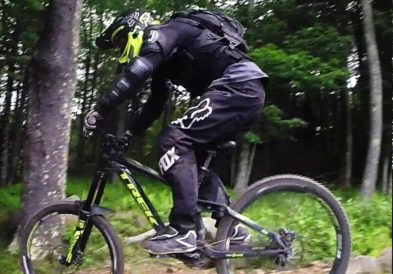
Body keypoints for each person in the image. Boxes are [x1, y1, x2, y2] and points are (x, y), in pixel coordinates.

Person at [85, 10, 268, 255]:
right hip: (244, 91)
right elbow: (156, 104)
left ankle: (184, 232)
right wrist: (130, 135)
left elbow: (135, 75)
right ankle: (230, 230)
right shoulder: (166, 58)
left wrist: (99, 110)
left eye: (120, 41)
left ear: (133, 29)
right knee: (196, 161)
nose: (121, 50)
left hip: (237, 86)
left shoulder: (163, 33)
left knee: (174, 139)